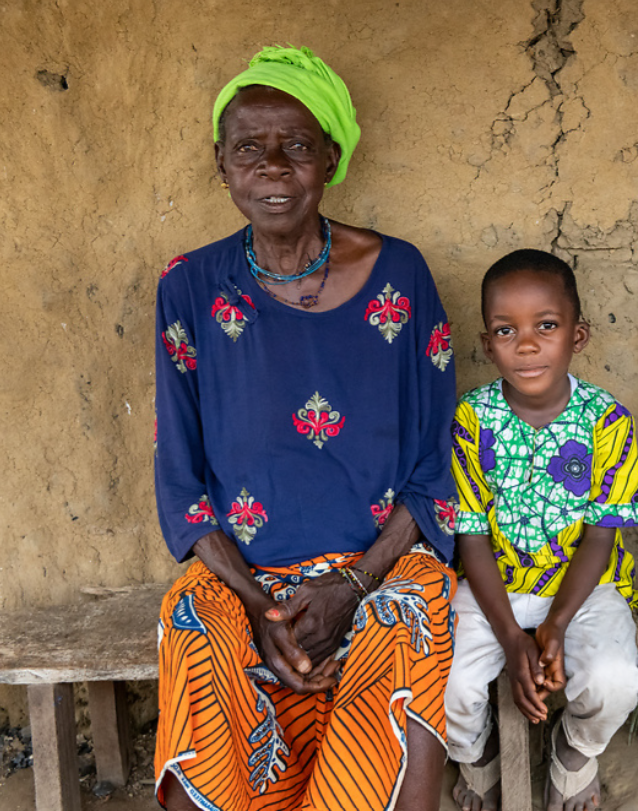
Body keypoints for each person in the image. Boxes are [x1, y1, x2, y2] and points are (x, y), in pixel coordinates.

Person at [153, 46, 458, 811]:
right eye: (248, 148)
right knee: (191, 618)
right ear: (220, 164)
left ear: (331, 157)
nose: (274, 166)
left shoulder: (402, 274)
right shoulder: (188, 286)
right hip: (245, 575)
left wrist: (354, 584)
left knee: (410, 615)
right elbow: (183, 485)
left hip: (380, 564)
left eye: (296, 145)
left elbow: (432, 470)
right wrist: (263, 609)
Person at [446, 249, 638, 811]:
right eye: (505, 331)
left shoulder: (607, 420)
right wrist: (513, 636)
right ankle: (475, 755)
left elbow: (600, 536)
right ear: (488, 345)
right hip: (494, 584)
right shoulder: (471, 419)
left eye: (546, 326)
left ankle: (575, 751)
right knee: (447, 686)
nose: (528, 344)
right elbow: (470, 539)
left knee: (614, 681)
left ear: (578, 336)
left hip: (584, 588)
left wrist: (557, 622)